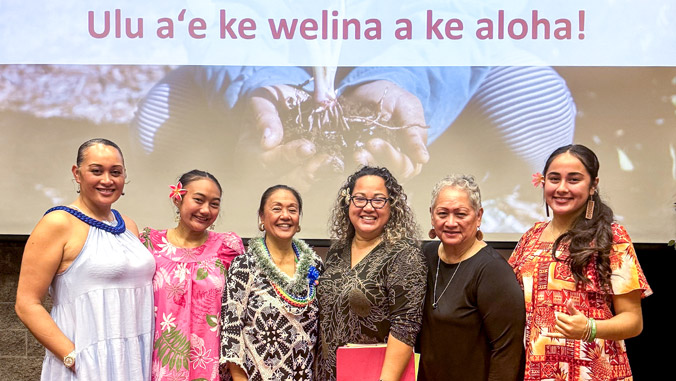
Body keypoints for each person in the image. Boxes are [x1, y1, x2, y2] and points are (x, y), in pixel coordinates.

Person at [131, 65, 575, 188]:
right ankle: (249, 179)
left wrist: (399, 80)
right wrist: (261, 83)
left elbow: (461, 17)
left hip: (421, 82)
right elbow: (218, 17)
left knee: (533, 96)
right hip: (282, 78)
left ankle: (460, 190)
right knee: (159, 121)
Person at [14, 138, 155, 380]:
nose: (107, 180)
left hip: (133, 362)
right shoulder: (58, 223)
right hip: (85, 367)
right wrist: (74, 358)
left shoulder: (128, 226)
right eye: (96, 171)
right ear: (77, 174)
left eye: (116, 172)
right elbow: (26, 304)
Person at [509, 144, 652, 380]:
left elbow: (633, 321)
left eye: (573, 179)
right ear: (543, 182)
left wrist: (590, 328)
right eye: (554, 179)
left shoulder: (612, 238)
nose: (562, 188)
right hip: (537, 372)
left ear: (593, 185)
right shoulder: (530, 237)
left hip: (594, 372)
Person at [315, 166, 426, 381]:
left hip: (374, 374)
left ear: (391, 205)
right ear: (348, 202)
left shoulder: (405, 255)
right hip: (328, 374)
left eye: (378, 200)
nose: (368, 207)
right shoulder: (337, 251)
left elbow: (405, 326)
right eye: (360, 199)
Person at [416, 174, 525, 380]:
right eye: (442, 213)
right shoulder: (425, 256)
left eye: (460, 214)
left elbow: (507, 352)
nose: (450, 222)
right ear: (432, 216)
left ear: (478, 216)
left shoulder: (493, 271)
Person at [139, 170, 244, 380]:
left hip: (211, 364)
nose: (206, 210)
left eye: (214, 204)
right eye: (198, 200)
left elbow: (241, 308)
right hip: (160, 363)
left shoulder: (228, 246)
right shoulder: (149, 243)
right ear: (178, 199)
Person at [220, 185, 323, 380]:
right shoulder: (245, 265)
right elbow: (231, 331)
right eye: (277, 208)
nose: (285, 215)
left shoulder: (314, 264)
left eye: (292, 210)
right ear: (261, 217)